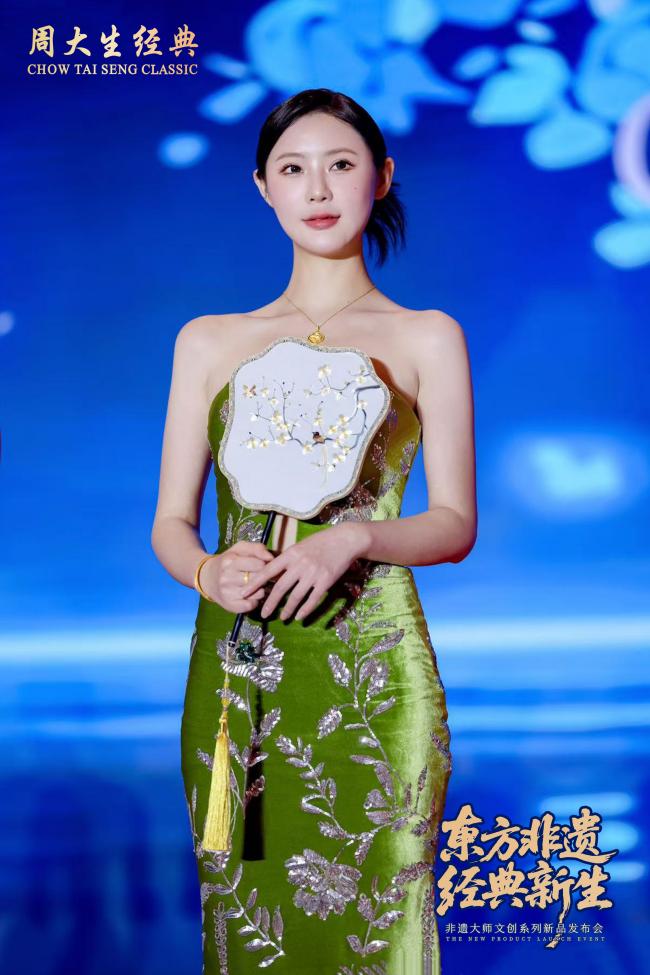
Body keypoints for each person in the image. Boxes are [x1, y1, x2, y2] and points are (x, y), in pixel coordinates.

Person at [151, 87, 477, 975]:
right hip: (238, 679)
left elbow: (453, 523)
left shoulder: (426, 336)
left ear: (383, 177)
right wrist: (207, 571)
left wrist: (355, 539)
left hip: (373, 676)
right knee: (245, 917)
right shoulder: (209, 341)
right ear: (264, 187)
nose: (319, 188)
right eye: (293, 169)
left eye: (341, 164)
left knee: (381, 928)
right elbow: (171, 524)